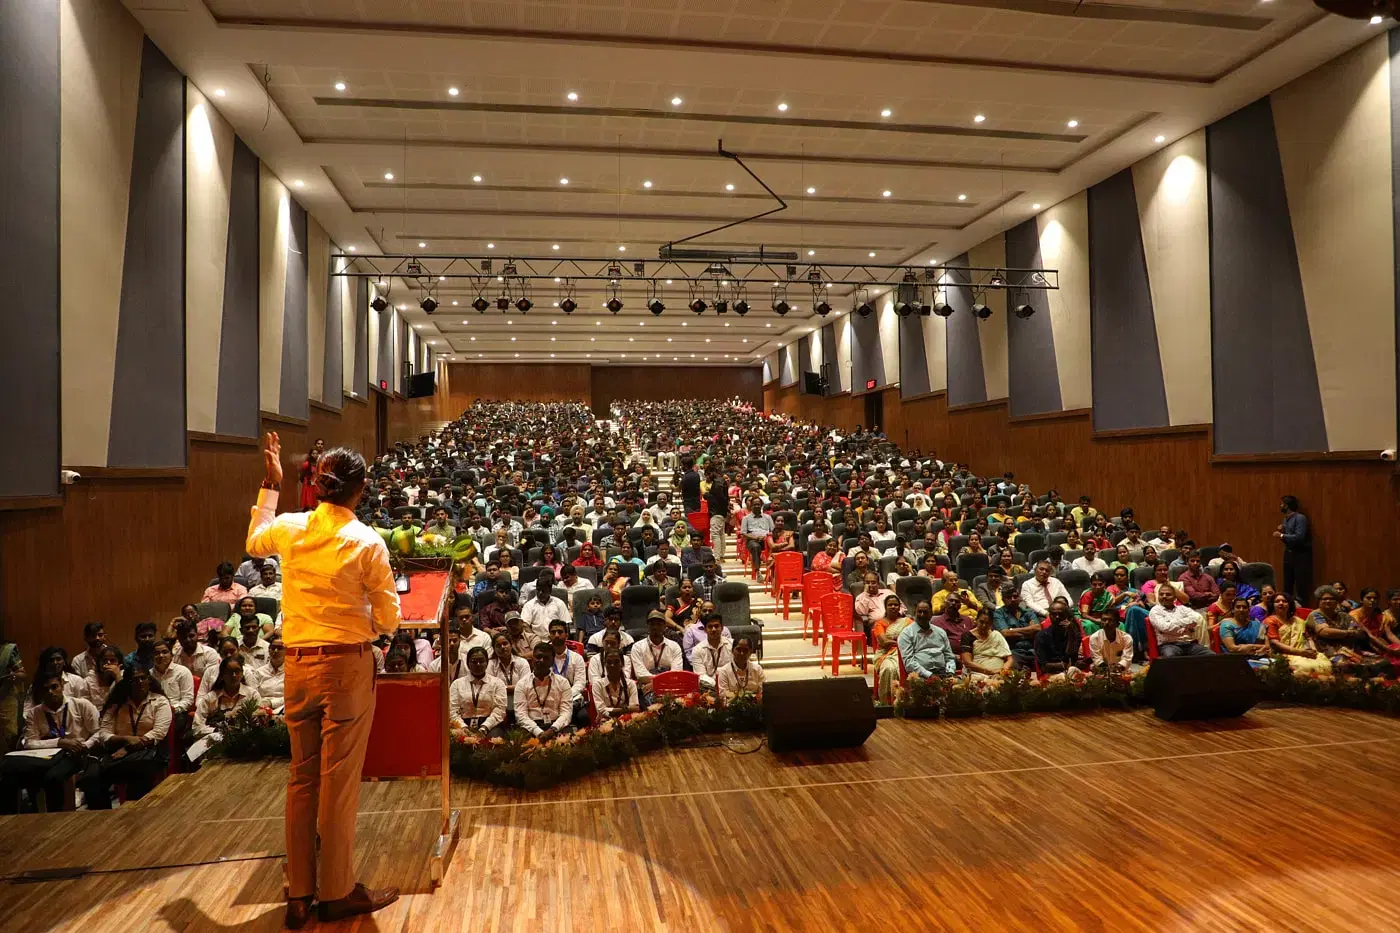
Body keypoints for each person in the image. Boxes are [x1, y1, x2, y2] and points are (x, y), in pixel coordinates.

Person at [246, 435, 401, 925]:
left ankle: (299, 894)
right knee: (337, 784)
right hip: (345, 668)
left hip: (297, 663)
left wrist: (271, 485)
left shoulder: (290, 528)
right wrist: (373, 628)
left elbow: (254, 542)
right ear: (360, 490)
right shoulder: (366, 541)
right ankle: (335, 893)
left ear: (314, 486)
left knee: (301, 779)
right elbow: (391, 618)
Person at [0, 672, 101, 813]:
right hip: (47, 756)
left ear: (62, 686)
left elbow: (98, 732)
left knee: (53, 777)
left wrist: (84, 745)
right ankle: (9, 820)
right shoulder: (34, 713)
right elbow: (29, 742)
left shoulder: (81, 705)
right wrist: (59, 742)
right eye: (45, 689)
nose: (50, 692)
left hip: (76, 754)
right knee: (8, 777)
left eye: (54, 687)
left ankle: (56, 816)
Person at [81, 665, 172, 810]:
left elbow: (159, 732)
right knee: (91, 778)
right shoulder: (117, 703)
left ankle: (133, 815)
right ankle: (102, 818)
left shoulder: (160, 701)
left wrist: (128, 748)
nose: (140, 682)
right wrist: (125, 740)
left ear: (149, 680)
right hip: (117, 751)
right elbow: (104, 733)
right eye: (135, 680)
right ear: (127, 683)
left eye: (143, 678)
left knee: (139, 771)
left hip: (149, 750)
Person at [1261, 593, 1333, 676]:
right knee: (1306, 667)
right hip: (1283, 654)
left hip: (1303, 651)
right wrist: (1299, 652)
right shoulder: (1270, 621)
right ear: (1272, 605)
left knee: (1325, 663)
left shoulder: (1298, 621)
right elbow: (1275, 642)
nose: (1281, 603)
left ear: (1289, 604)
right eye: (1277, 601)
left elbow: (1308, 638)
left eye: (1284, 601)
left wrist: (1313, 650)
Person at [514, 643, 573, 738]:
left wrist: (553, 729)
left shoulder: (563, 682)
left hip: (556, 725)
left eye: (546, 658)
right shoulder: (522, 684)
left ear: (552, 660)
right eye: (538, 657)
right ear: (533, 658)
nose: (541, 660)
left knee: (569, 739)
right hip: (531, 726)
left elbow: (566, 713)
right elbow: (520, 715)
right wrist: (538, 732)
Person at [193, 656, 261, 737]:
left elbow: (259, 723)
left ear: (242, 674)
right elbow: (196, 728)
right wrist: (216, 730)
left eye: (237, 671)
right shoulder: (210, 698)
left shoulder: (252, 695)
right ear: (222, 675)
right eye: (229, 672)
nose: (234, 675)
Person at [449, 647, 508, 735]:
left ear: (487, 663)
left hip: (490, 724)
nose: (478, 664)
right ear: (468, 664)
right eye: (474, 661)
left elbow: (500, 710)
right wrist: (463, 727)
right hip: (463, 723)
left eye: (481, 661)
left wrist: (485, 727)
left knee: (493, 738)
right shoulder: (457, 684)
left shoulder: (497, 683)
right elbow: (453, 711)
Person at [1147, 585, 1214, 658]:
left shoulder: (1182, 609)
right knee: (1170, 657)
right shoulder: (1155, 611)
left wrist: (1172, 624)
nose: (1164, 596)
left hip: (1189, 644)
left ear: (1175, 598)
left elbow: (1195, 619)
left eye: (1168, 594)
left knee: (1211, 656)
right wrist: (1185, 625)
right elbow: (1165, 628)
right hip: (1169, 645)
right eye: (1161, 594)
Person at [897, 600, 957, 680]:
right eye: (919, 612)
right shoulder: (907, 634)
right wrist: (930, 675)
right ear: (915, 613)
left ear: (931, 614)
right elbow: (909, 664)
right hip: (921, 676)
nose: (922, 615)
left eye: (925, 612)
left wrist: (950, 672)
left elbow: (949, 657)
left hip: (943, 673)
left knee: (963, 688)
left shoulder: (940, 632)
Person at [630, 611, 683, 700]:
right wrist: (658, 683)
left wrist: (656, 684)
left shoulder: (674, 646)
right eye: (652, 624)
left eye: (659, 624)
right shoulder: (637, 647)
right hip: (647, 686)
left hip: (670, 686)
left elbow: (676, 672)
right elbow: (640, 674)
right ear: (648, 626)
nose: (655, 627)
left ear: (665, 626)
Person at [873, 600, 916, 703]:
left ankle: (905, 700)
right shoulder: (880, 623)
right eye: (890, 605)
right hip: (886, 654)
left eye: (895, 605)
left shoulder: (907, 622)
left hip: (905, 652)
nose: (893, 607)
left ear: (899, 607)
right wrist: (902, 640)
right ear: (885, 607)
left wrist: (896, 639)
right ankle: (887, 701)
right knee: (889, 668)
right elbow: (884, 642)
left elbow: (915, 637)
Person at [545, 620, 587, 723]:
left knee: (584, 717)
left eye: (560, 632)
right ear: (549, 635)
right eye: (553, 632)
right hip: (550, 700)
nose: (556, 635)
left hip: (572, 699)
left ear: (567, 635)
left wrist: (565, 697)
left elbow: (580, 683)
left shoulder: (576, 658)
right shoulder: (544, 658)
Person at [150, 641, 195, 732]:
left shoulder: (182, 672)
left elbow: (188, 699)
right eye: (157, 653)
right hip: (154, 713)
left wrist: (173, 709)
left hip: (177, 713)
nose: (161, 655)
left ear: (171, 654)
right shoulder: (149, 674)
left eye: (165, 652)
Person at [1034, 599, 1085, 678]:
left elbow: (1072, 657)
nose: (1057, 617)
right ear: (1050, 616)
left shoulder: (1074, 633)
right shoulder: (1041, 636)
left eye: (1060, 614)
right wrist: (1064, 665)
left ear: (1066, 616)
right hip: (1051, 675)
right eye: (1054, 614)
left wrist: (1071, 636)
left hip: (1070, 671)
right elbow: (1044, 667)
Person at [959, 607, 1014, 680]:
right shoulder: (968, 636)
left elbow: (1010, 659)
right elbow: (967, 662)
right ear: (976, 620)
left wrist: (1003, 671)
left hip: (1000, 673)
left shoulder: (996, 635)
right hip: (978, 673)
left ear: (991, 624)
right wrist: (989, 671)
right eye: (981, 622)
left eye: (987, 623)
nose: (984, 626)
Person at [993, 584, 1040, 669]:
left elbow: (1037, 628)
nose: (1012, 599)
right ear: (1003, 600)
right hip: (1013, 651)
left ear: (1019, 597)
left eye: (1015, 596)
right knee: (1013, 672)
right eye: (1008, 597)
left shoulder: (1028, 612)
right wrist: (1029, 632)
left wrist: (1013, 630)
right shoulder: (999, 613)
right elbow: (1005, 633)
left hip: (1032, 650)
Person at [1275, 495, 1312, 604]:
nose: (1280, 506)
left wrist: (1282, 535)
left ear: (1287, 505)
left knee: (1301, 585)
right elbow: (1289, 540)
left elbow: (1300, 537)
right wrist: (1283, 534)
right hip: (1289, 554)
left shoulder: (1300, 518)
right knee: (1287, 584)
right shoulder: (1285, 520)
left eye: (1282, 504)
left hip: (1300, 555)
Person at [592, 647, 641, 718]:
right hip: (606, 722)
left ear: (622, 664)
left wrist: (611, 710)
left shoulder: (630, 684)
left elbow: (635, 709)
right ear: (604, 664)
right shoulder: (598, 684)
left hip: (627, 721)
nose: (612, 665)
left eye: (616, 662)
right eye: (609, 662)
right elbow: (601, 711)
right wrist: (626, 709)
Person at [521, 573, 571, 642]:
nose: (540, 593)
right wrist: (536, 640)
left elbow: (566, 625)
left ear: (550, 591)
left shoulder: (559, 603)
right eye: (538, 590)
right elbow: (525, 625)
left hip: (556, 641)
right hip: (535, 643)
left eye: (543, 590)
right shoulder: (529, 605)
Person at [691, 613, 733, 690]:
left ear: (722, 628)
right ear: (705, 630)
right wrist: (718, 685)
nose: (713, 629)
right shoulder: (697, 649)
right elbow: (701, 675)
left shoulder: (732, 645)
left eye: (716, 626)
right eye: (710, 627)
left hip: (731, 686)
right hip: (709, 689)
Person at [716, 636, 764, 701]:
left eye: (745, 650)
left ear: (750, 652)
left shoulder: (757, 669)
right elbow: (723, 696)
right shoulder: (723, 671)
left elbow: (763, 692)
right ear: (732, 650)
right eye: (738, 650)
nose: (742, 653)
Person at [172, 619, 220, 683]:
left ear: (197, 635)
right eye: (184, 637)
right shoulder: (176, 656)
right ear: (179, 639)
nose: (188, 640)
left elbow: (211, 681)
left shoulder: (210, 653)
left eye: (191, 636)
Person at [740, 503, 774, 582]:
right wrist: (756, 537)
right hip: (752, 540)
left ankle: (771, 574)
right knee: (756, 547)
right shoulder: (746, 518)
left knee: (775, 547)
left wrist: (766, 537)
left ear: (761, 505)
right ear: (751, 506)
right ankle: (758, 571)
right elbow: (743, 533)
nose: (757, 506)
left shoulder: (768, 517)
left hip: (766, 539)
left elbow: (773, 530)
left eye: (758, 504)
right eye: (754, 504)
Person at [253, 638, 287, 709]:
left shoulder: (291, 673)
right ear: (268, 650)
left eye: (280, 648)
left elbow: (292, 697)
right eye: (273, 648)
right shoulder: (258, 672)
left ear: (286, 651)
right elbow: (253, 694)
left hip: (284, 708)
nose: (275, 651)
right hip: (261, 708)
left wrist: (271, 703)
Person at [298, 439, 324, 511]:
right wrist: (308, 481)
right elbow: (302, 475)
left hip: (318, 484)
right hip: (309, 485)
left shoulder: (322, 459)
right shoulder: (307, 463)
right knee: (308, 503)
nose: (320, 445)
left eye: (321, 444)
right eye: (318, 443)